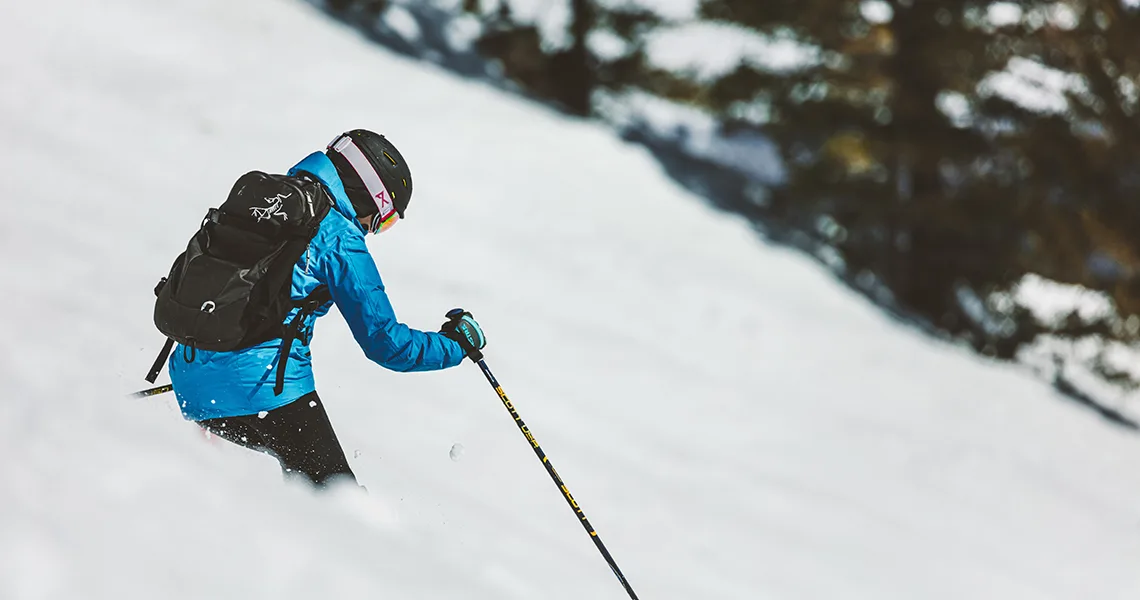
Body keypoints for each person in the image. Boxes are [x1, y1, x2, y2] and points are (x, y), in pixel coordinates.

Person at [167, 129, 486, 487]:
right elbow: (386, 343)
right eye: (385, 219)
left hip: (189, 378)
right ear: (370, 197)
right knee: (339, 507)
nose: (376, 229)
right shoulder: (339, 236)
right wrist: (456, 345)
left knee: (284, 500)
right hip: (262, 389)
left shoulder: (270, 198)